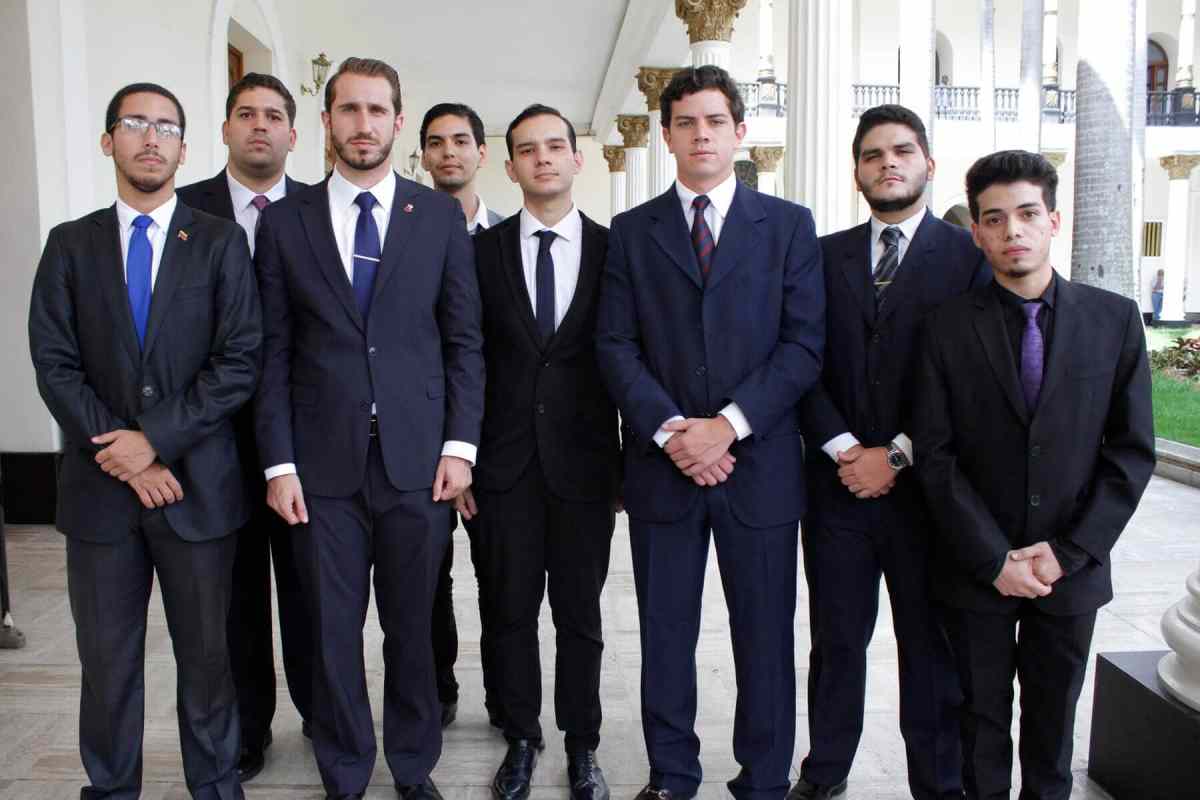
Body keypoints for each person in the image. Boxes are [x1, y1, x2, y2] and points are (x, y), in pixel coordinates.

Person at [254, 57, 483, 800]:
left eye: (376, 110)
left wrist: (460, 448)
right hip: (319, 469)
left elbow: (463, 341)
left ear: (397, 121)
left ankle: (414, 769)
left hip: (419, 464)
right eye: (348, 110)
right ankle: (346, 772)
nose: (363, 124)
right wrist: (278, 464)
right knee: (331, 631)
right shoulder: (284, 222)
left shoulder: (438, 217)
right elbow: (272, 351)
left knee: (413, 629)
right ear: (326, 123)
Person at [596, 65, 825, 800]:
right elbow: (615, 345)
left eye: (715, 121)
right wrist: (674, 433)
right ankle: (671, 774)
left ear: (739, 131)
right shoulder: (632, 233)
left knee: (765, 637)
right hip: (664, 470)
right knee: (665, 635)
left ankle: (764, 779)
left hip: (759, 468)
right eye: (687, 122)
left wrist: (725, 427)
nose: (702, 135)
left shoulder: (788, 226)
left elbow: (803, 346)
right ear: (666, 135)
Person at [28, 81, 262, 799]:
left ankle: (215, 787)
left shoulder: (219, 242)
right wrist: (128, 457)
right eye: (135, 124)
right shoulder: (70, 245)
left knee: (209, 662)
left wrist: (154, 441)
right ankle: (110, 790)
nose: (151, 138)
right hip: (100, 499)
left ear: (184, 149)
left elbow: (238, 361)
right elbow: (55, 363)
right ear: (109, 141)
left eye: (166, 127)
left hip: (198, 491)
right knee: (106, 665)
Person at [914, 150, 1155, 800]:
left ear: (1054, 220)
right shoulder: (944, 328)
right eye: (995, 219)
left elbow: (1131, 451)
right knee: (979, 727)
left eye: (1026, 214)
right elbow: (935, 455)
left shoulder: (1114, 320)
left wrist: (1068, 552)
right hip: (976, 570)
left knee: (1052, 733)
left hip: (1069, 572)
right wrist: (993, 558)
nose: (1012, 230)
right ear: (977, 233)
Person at [795, 104, 990, 800]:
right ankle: (824, 772)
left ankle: (936, 785)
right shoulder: (820, 256)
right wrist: (846, 449)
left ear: (928, 164)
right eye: (873, 155)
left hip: (930, 497)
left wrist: (898, 455)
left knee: (929, 648)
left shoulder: (969, 259)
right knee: (836, 643)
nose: (888, 164)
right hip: (837, 489)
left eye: (902, 151)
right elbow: (801, 359)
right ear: (856, 172)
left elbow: (973, 380)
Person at [462, 103, 620, 800]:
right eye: (528, 149)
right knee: (509, 612)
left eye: (555, 146)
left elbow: (628, 357)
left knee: (580, 617)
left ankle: (583, 744)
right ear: (510, 166)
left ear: (577, 159)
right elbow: (464, 358)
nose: (543, 158)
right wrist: (461, 455)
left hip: (586, 468)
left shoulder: (615, 251)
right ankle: (522, 738)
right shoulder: (480, 253)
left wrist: (629, 463)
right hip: (503, 468)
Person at [177, 71, 312, 781]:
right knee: (234, 600)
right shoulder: (184, 211)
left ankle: (323, 713)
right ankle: (248, 729)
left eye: (273, 115)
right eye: (246, 113)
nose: (260, 125)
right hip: (214, 442)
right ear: (225, 128)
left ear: (294, 133)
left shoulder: (321, 210)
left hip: (305, 441)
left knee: (312, 590)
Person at [418, 100, 504, 729]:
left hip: (497, 445)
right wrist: (447, 445)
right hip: (423, 443)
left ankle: (506, 697)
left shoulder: (507, 238)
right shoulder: (405, 232)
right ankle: (438, 687)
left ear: (481, 152)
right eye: (436, 142)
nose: (449, 151)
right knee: (429, 578)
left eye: (460, 140)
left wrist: (474, 448)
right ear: (422, 154)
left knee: (502, 578)